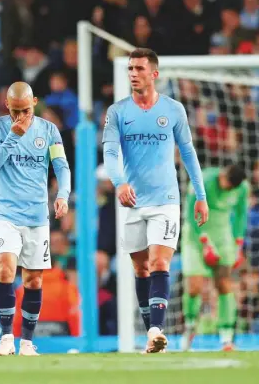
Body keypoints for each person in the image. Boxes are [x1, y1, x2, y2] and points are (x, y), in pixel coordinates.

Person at [102, 48, 208, 353]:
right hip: (132, 201)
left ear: (154, 74)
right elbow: (109, 153)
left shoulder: (174, 110)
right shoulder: (118, 112)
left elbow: (188, 153)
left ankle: (156, 330)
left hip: (166, 200)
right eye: (130, 69)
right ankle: (153, 332)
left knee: (159, 261)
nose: (133, 73)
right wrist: (119, 182)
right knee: (141, 270)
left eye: (139, 68)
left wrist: (200, 196)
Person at [0, 81, 71, 356]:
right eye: (14, 111)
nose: (19, 117)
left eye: (25, 111)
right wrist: (12, 137)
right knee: (5, 270)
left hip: (36, 217)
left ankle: (27, 342)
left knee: (33, 281)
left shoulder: (49, 130)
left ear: (34, 103)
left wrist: (63, 195)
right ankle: (7, 338)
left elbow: (61, 166)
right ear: (6, 105)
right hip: (6, 214)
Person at [181, 164, 249, 351]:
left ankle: (227, 338)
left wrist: (237, 244)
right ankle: (189, 328)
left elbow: (241, 214)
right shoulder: (201, 181)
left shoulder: (242, 187)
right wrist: (205, 242)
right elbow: (189, 212)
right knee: (194, 286)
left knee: (224, 284)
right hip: (196, 236)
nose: (228, 189)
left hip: (222, 236)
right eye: (227, 184)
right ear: (222, 174)